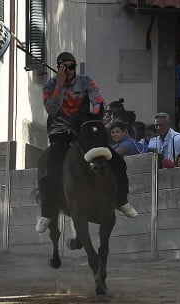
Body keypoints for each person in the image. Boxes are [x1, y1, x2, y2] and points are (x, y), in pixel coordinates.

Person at [36, 52, 137, 233]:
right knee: (51, 167)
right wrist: (59, 86)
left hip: (84, 128)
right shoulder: (50, 85)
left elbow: (98, 100)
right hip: (60, 131)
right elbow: (52, 109)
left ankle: (122, 200)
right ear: (59, 68)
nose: (68, 71)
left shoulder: (86, 81)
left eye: (71, 67)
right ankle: (48, 211)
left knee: (117, 160)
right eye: (64, 67)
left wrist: (95, 111)